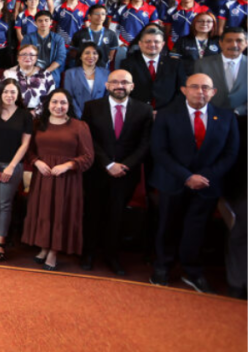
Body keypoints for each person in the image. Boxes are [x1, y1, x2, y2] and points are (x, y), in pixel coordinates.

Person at [150, 73, 240, 293]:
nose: (200, 91)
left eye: (206, 88)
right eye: (195, 87)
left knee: (196, 229)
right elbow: (159, 150)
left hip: (207, 185)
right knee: (167, 226)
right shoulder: (166, 115)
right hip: (173, 181)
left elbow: (230, 153)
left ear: (213, 92)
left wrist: (205, 177)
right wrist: (186, 176)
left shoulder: (226, 117)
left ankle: (193, 270)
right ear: (184, 90)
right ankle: (162, 267)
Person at [80, 69, 153, 276]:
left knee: (117, 216)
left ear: (132, 86)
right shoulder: (92, 107)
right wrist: (108, 164)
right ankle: (88, 253)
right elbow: (89, 139)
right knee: (93, 213)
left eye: (124, 82)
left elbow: (145, 143)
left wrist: (124, 165)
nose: (120, 86)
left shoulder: (143, 110)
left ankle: (112, 256)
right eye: (115, 82)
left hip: (126, 173)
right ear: (107, 85)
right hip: (97, 171)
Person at [193, 27, 246, 298]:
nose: (234, 45)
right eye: (229, 40)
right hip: (211, 137)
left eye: (239, 40)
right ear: (221, 43)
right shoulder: (204, 64)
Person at [22, 89, 94, 271]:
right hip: (43, 177)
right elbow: (28, 151)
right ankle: (44, 246)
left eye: (63, 103)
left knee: (61, 213)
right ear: (48, 104)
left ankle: (54, 251)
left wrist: (67, 165)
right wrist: (36, 162)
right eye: (54, 102)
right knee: (44, 211)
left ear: (69, 105)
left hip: (67, 180)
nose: (58, 107)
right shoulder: (39, 124)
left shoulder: (79, 126)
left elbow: (88, 156)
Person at [0, 79, 33, 262]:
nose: (9, 95)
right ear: (0, 94)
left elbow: (25, 144)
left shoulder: (25, 115)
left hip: (13, 166)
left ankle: (1, 242)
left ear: (18, 94)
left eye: (13, 92)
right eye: (6, 92)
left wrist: (10, 166)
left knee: (5, 204)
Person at [121, 27, 187, 114]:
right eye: (148, 41)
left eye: (156, 42)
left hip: (167, 114)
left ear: (163, 44)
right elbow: (124, 91)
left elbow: (182, 91)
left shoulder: (175, 64)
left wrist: (165, 112)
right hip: (137, 114)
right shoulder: (127, 64)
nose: (152, 45)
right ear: (140, 44)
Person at [2, 43, 56, 115]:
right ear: (18, 58)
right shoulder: (8, 73)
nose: (28, 57)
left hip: (40, 115)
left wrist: (35, 113)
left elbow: (52, 97)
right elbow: (1, 95)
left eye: (31, 55)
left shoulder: (46, 74)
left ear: (36, 58)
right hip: (14, 114)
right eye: (24, 54)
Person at [64, 43, 109, 119]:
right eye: (87, 53)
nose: (91, 56)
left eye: (95, 53)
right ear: (80, 56)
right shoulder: (70, 73)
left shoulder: (106, 73)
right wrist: (80, 115)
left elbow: (107, 96)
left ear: (98, 56)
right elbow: (69, 96)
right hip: (77, 116)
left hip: (100, 116)